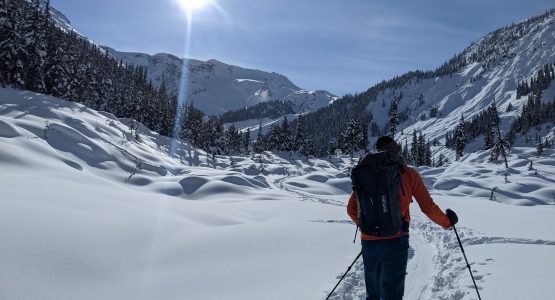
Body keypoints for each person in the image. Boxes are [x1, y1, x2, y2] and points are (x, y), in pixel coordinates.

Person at [347, 136, 458, 300]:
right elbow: (427, 207)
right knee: (392, 294)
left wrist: (368, 227)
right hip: (395, 240)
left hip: (369, 242)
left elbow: (351, 209)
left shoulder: (365, 173)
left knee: (373, 294)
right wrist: (447, 222)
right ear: (396, 151)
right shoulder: (408, 174)